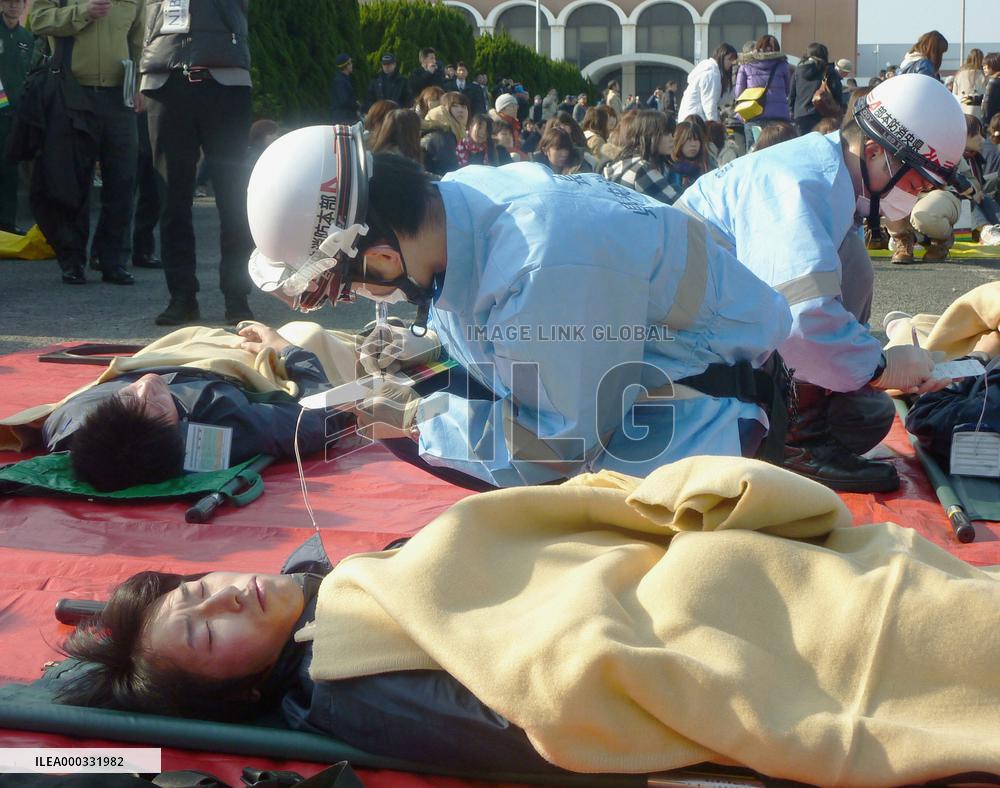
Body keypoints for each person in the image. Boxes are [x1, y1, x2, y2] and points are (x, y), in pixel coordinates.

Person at [245, 124, 794, 489]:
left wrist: (412, 421)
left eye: (352, 287)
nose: (362, 298)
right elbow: (504, 349)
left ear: (385, 258)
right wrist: (424, 360)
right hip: (642, 383)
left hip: (707, 419)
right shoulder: (459, 203)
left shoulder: (540, 265)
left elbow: (559, 447)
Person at [677, 74, 967, 492]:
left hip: (720, 336)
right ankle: (797, 444)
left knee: (867, 411)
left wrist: (872, 368)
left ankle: (795, 423)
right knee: (862, 413)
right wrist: (882, 366)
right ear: (875, 152)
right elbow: (801, 319)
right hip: (683, 361)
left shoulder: (828, 173)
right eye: (916, 183)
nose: (916, 196)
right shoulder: (799, 185)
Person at [138, 0, 256, 326]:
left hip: (225, 77)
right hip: (164, 76)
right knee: (172, 198)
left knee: (233, 198)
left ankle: (237, 296)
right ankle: (181, 297)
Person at [29, 0, 144, 287]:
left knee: (123, 180)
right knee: (71, 182)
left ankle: (112, 259)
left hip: (119, 96)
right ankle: (72, 261)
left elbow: (140, 39)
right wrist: (82, 12)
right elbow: (38, 21)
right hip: (72, 93)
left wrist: (142, 83)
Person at [0, 0, 32, 235]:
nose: (13, 6)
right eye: (8, 1)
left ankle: (7, 224)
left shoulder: (27, 37)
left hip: (15, 114)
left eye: (17, 2)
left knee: (10, 169)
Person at [602, 110, 678, 205]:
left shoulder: (627, 161)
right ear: (650, 135)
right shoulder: (642, 169)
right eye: (666, 133)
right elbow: (678, 208)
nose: (672, 138)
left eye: (672, 133)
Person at [735, 35, 792, 150]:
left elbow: (738, 93)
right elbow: (788, 90)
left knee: (753, 153)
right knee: (778, 153)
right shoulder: (782, 65)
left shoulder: (746, 65)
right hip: (779, 118)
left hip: (754, 114)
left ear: (758, 47)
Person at [789, 42, 843, 135]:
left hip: (800, 115)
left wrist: (792, 112)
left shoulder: (798, 70)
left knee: (803, 145)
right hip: (822, 113)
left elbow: (792, 94)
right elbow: (837, 91)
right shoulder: (828, 70)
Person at [678, 44, 737, 123]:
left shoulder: (709, 70)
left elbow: (717, 99)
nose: (731, 63)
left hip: (689, 119)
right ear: (721, 57)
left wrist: (736, 92)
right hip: (695, 121)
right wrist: (716, 126)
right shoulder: (711, 74)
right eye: (729, 59)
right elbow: (710, 105)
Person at [421, 91, 470, 177]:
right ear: (444, 109)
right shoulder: (443, 135)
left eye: (464, 107)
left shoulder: (455, 132)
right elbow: (448, 171)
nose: (460, 110)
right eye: (454, 106)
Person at [669, 120, 710, 194]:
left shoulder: (707, 165)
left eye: (697, 140)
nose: (693, 144)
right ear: (679, 140)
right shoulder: (670, 168)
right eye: (689, 139)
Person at [952, 48, 986, 118]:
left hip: (962, 109)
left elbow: (954, 95)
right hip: (979, 111)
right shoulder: (984, 75)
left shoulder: (959, 74)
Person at [330, 54, 359, 124]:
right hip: (344, 118)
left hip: (346, 116)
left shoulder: (345, 79)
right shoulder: (340, 81)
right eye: (350, 63)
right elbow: (344, 101)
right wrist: (356, 104)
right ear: (346, 65)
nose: (352, 65)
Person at [983, 52, 1000, 133]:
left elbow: (987, 103)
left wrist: (985, 123)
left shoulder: (993, 82)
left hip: (992, 124)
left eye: (986, 66)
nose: (984, 68)